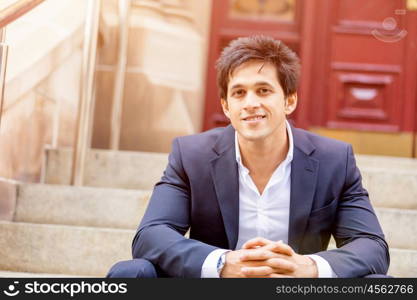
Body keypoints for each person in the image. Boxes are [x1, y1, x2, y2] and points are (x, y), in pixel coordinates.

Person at [107, 35, 389, 278]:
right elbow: (151, 234)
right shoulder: (191, 155)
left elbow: (372, 245)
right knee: (131, 272)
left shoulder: (334, 160)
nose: (251, 103)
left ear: (289, 100)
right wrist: (223, 264)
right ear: (226, 106)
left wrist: (309, 267)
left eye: (263, 90)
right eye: (239, 93)